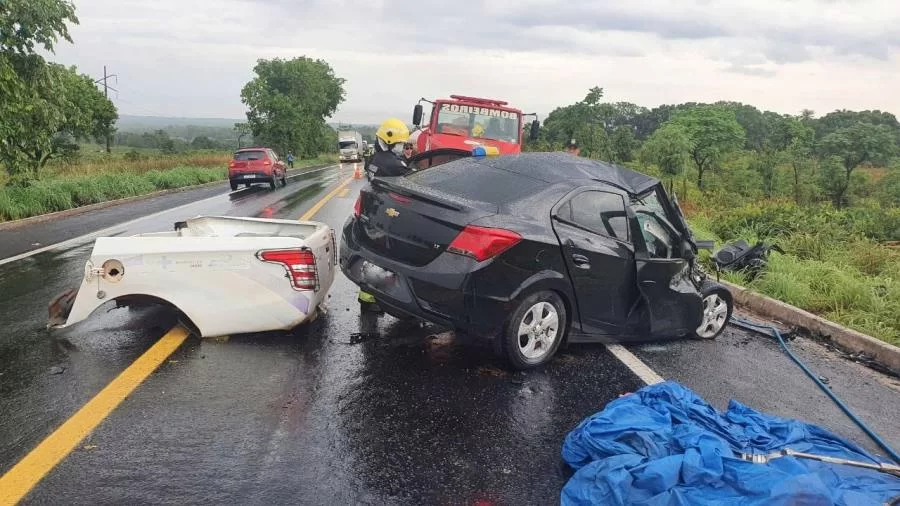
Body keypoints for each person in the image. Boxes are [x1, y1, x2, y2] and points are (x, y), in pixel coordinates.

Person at [358, 118, 411, 311]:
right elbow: (413, 177)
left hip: (374, 209)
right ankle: (377, 297)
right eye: (400, 144)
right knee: (383, 256)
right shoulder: (394, 164)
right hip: (387, 213)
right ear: (390, 141)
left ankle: (366, 296)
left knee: (372, 252)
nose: (402, 147)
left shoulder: (374, 159)